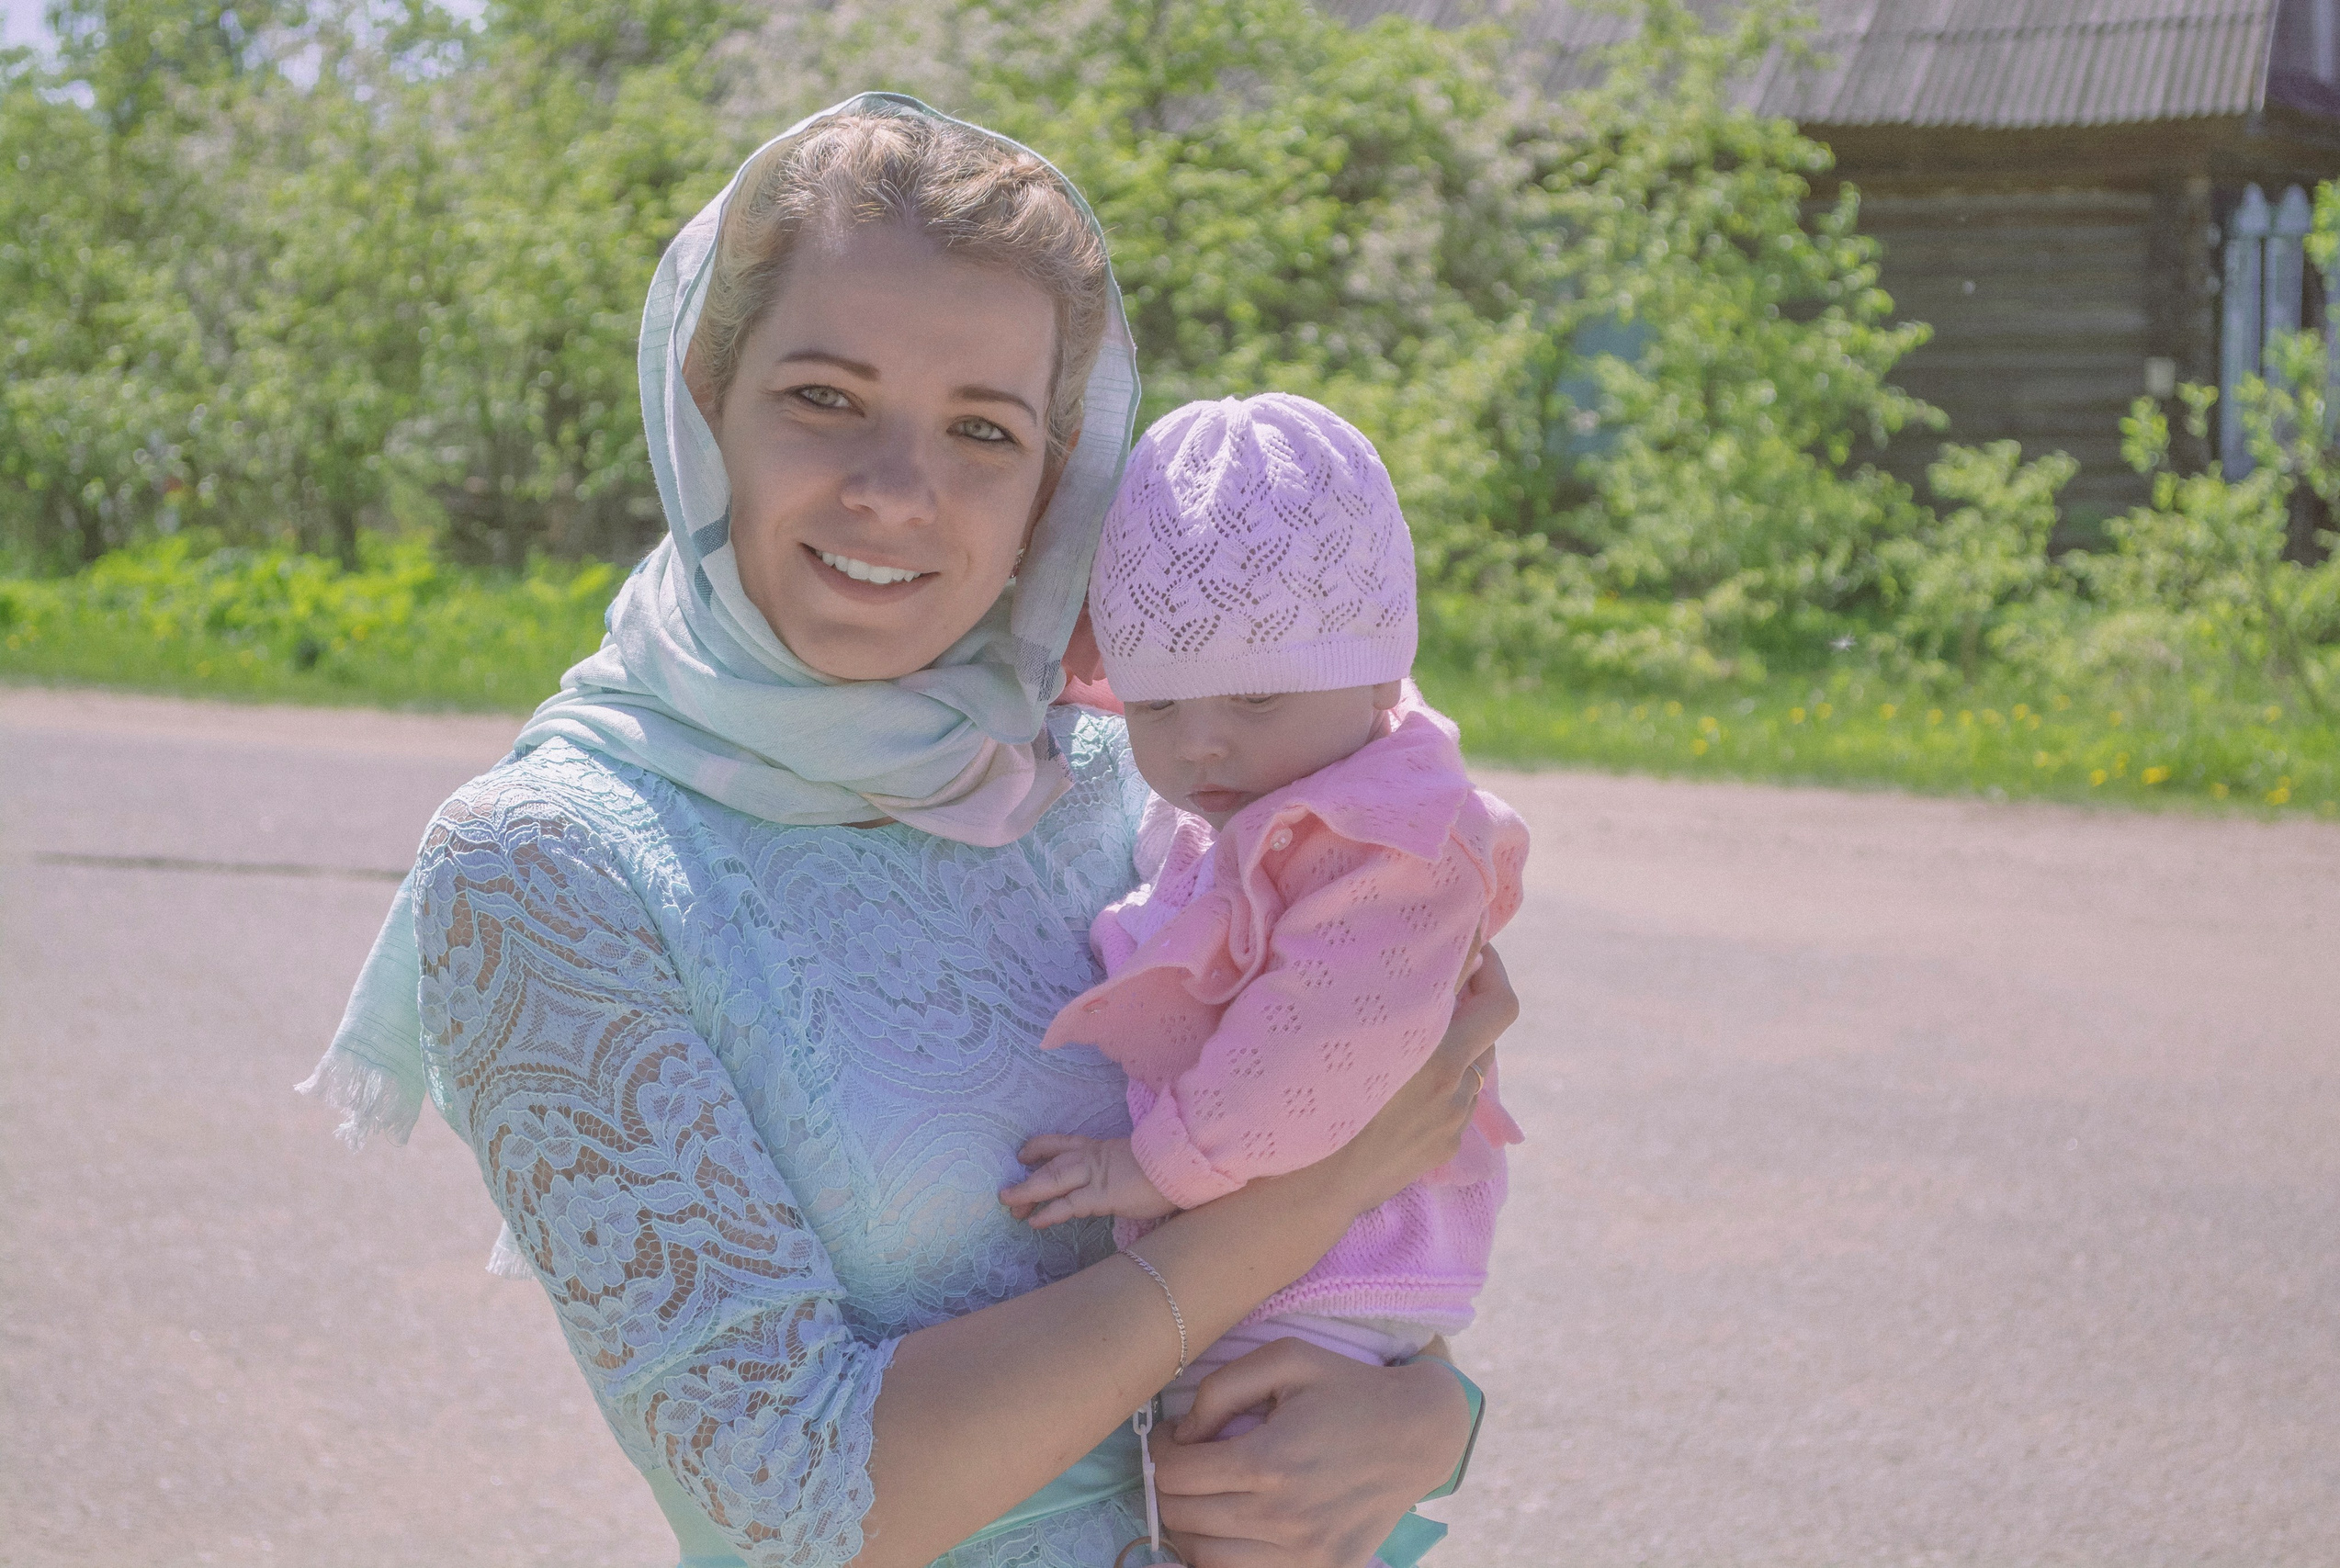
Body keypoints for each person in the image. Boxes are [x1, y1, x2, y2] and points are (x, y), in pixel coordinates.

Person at [300, 95, 1517, 1568]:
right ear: (707, 397)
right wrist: (1298, 1198)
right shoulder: (552, 864)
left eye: (983, 429)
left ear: (1054, 480)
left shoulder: (1140, 777)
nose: (897, 491)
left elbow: (1416, 1178)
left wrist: (1425, 1417)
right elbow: (795, 1498)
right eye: (825, 397)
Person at [998, 394, 1530, 1563]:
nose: (1199, 747)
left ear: (1373, 667)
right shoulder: (1285, 780)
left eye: (1253, 698)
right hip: (1283, 1265)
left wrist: (1149, 1167)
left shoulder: (1391, 837)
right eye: (1157, 704)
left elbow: (1316, 1043)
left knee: (1241, 1508)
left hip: (1332, 1283)